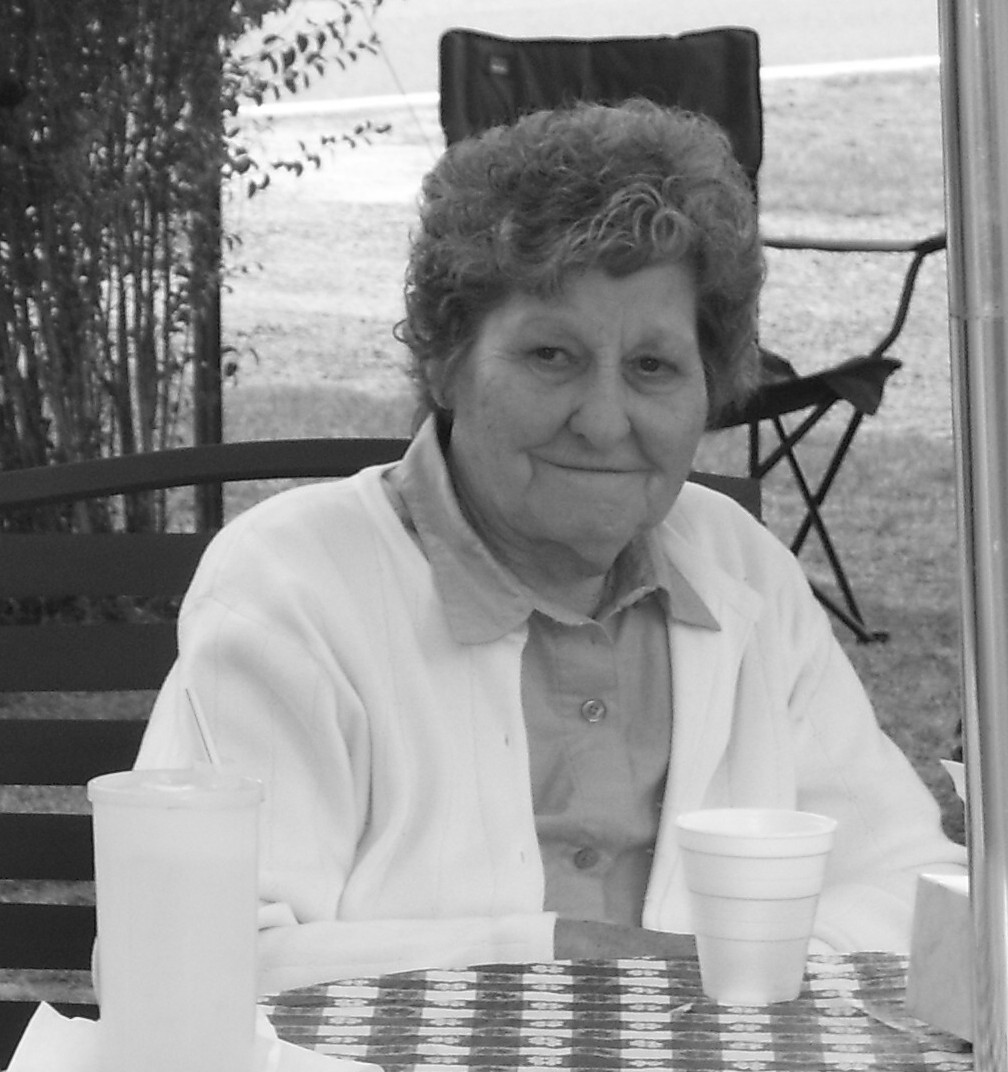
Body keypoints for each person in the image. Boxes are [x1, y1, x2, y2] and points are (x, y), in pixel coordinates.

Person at [136, 99, 965, 994]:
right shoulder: (291, 587)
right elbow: (198, 960)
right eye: (550, 356)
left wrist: (698, 982)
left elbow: (907, 889)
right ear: (446, 361)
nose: (605, 421)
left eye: (653, 366)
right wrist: (568, 959)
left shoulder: (740, 570)